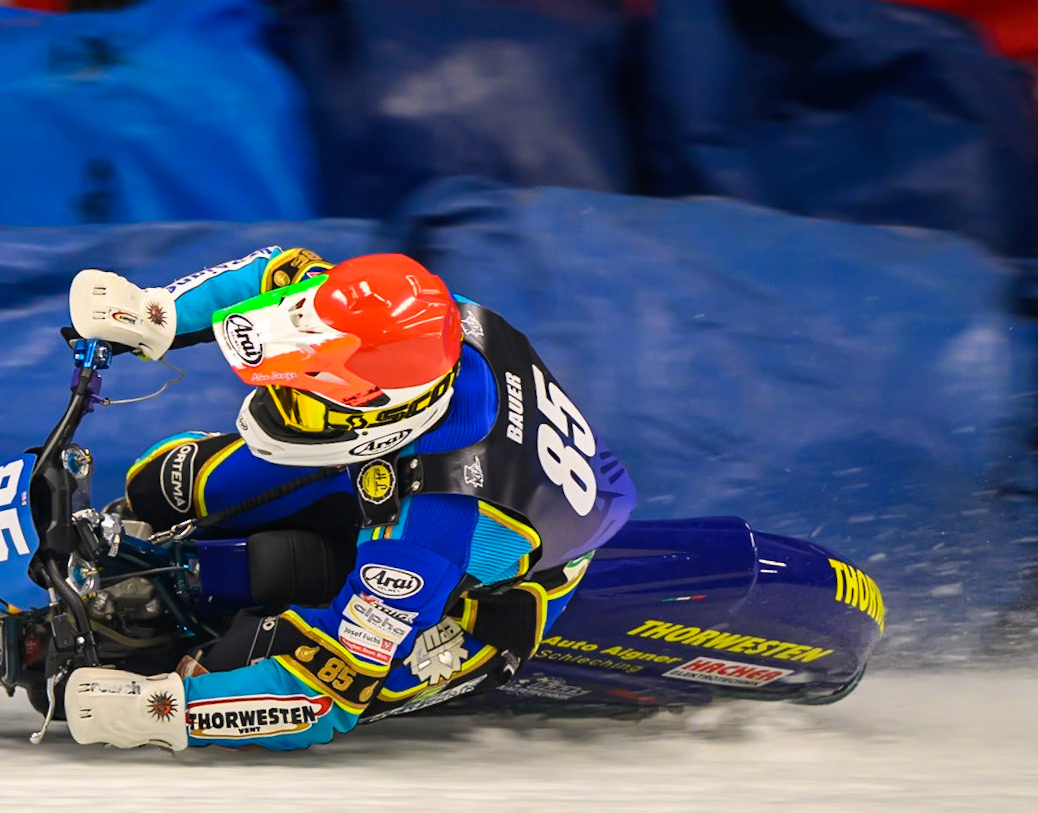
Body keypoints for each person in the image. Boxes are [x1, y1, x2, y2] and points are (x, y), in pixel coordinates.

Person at [63, 247, 636, 751]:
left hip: (489, 586)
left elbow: (329, 697)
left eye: (309, 401)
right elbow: (277, 270)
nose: (283, 403)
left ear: (383, 413)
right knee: (160, 481)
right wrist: (153, 312)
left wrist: (163, 711)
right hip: (411, 460)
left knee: (252, 660)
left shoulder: (436, 527)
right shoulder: (405, 314)